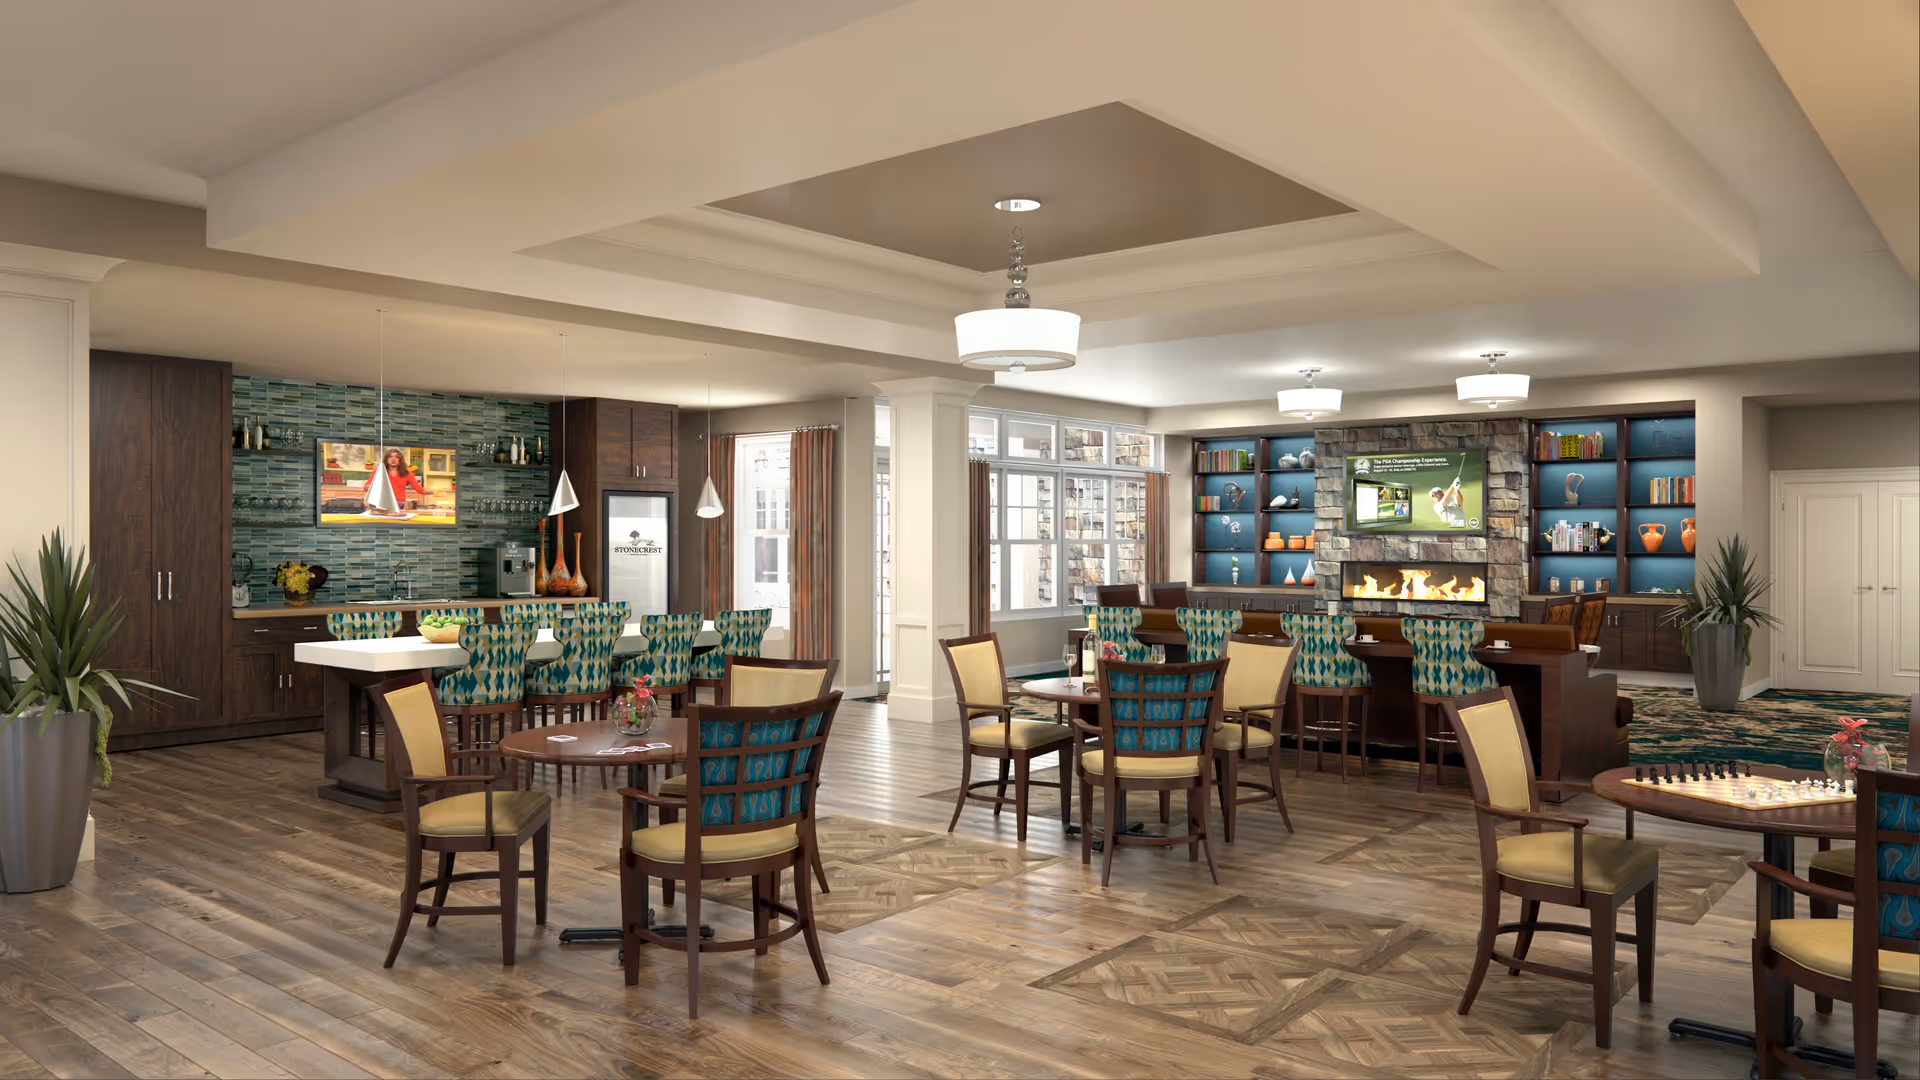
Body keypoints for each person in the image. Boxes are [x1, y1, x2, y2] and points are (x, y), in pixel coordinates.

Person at [363, 447, 426, 514]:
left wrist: (435, 491)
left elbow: (420, 490)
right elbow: (366, 487)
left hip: (399, 507)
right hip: (381, 507)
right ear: (386, 459)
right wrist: (374, 486)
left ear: (400, 460)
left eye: (396, 457)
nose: (393, 459)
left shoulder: (407, 473)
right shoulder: (379, 471)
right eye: (390, 457)